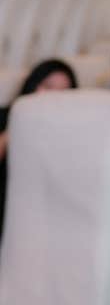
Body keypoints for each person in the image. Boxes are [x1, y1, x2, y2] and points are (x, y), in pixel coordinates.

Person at [0, 59, 78, 240]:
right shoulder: (7, 116)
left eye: (63, 92)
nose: (53, 97)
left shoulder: (71, 134)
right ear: (33, 86)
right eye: (48, 87)